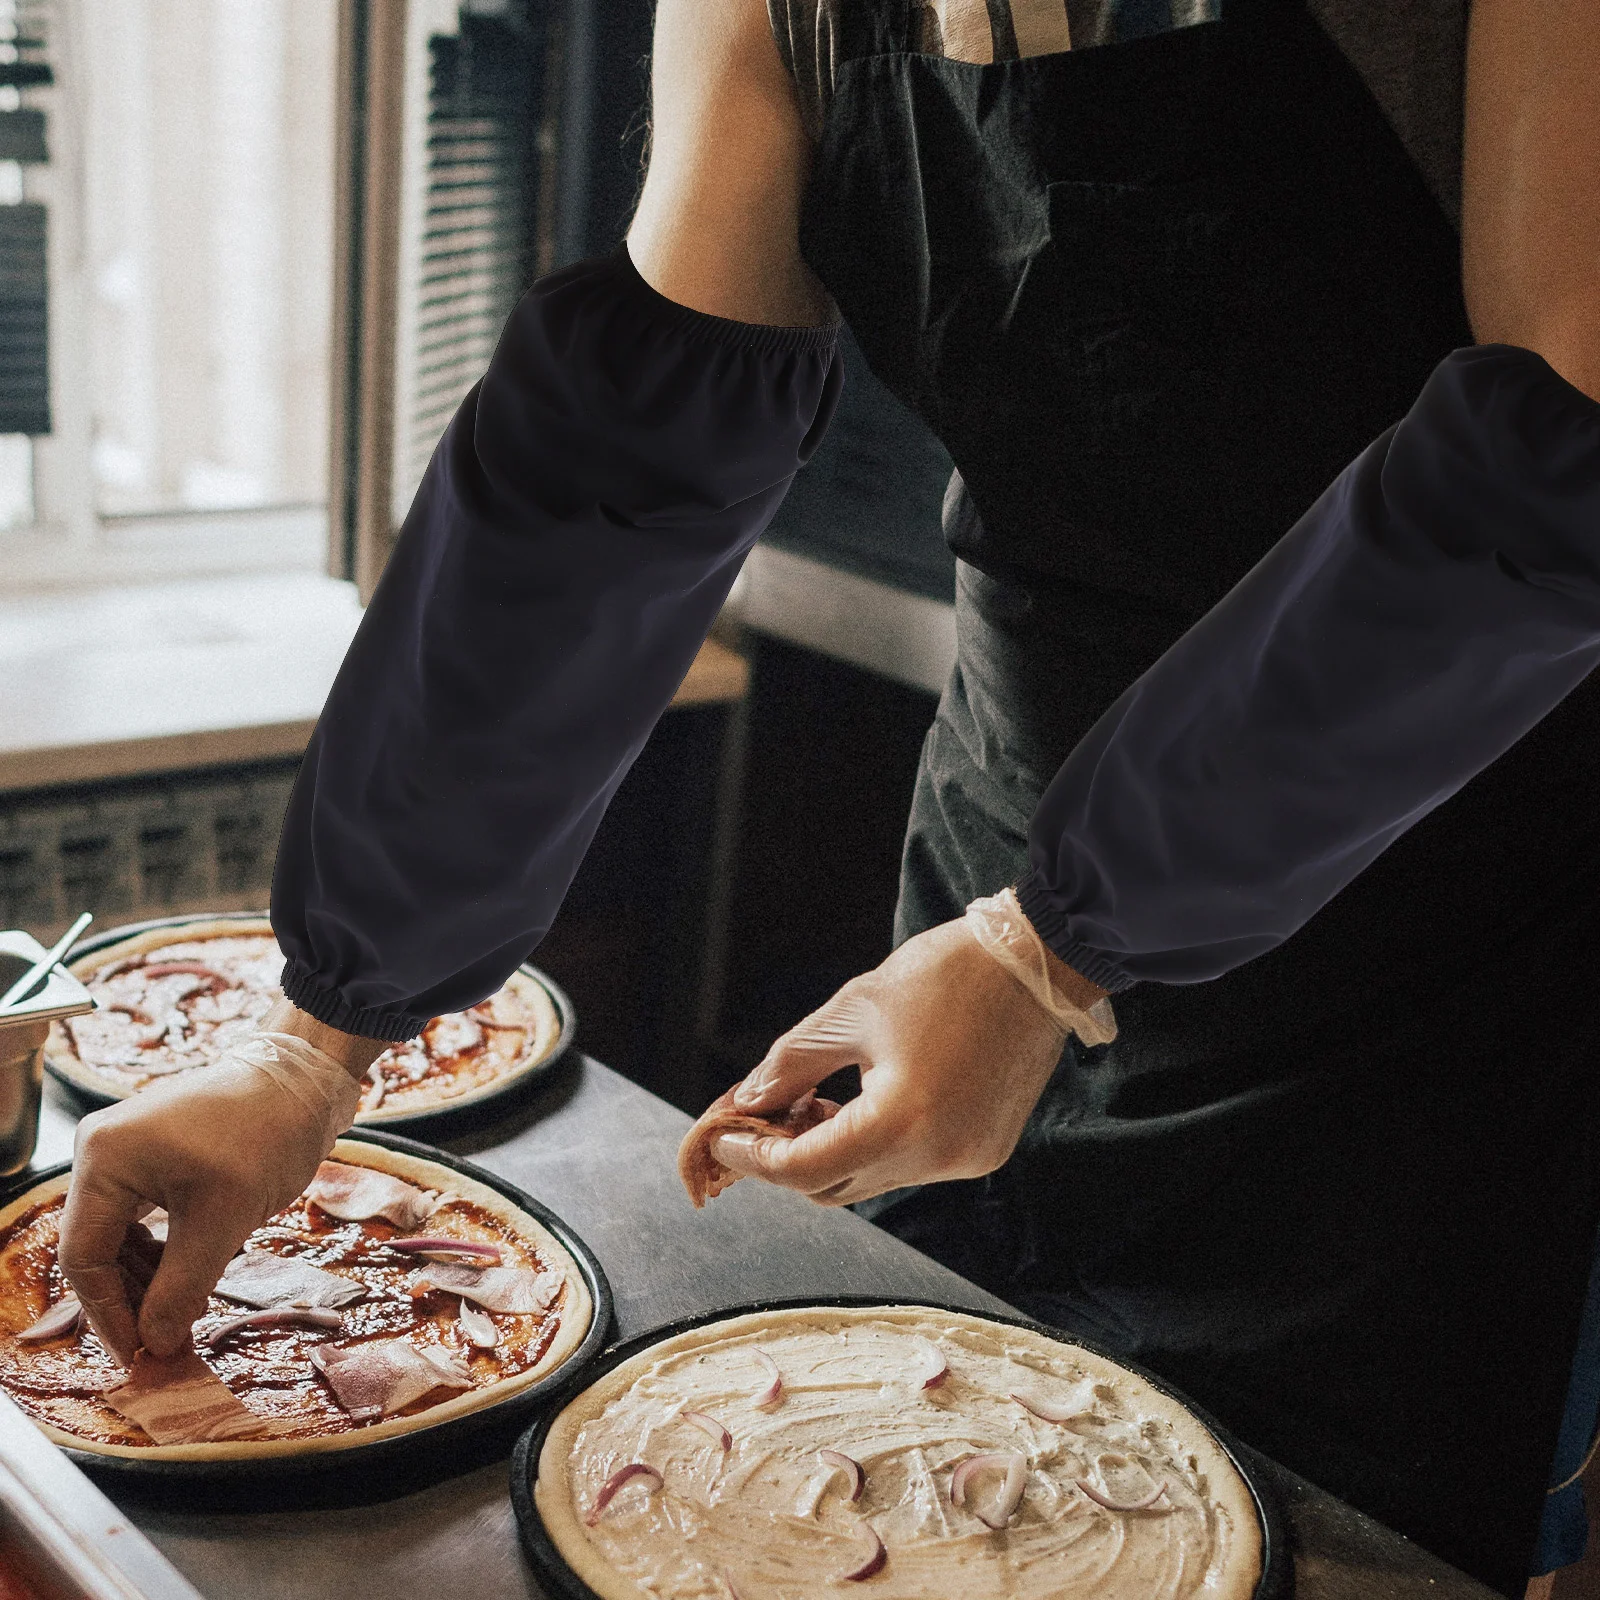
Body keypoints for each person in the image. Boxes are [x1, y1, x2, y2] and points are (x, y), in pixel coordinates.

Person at [56, 0, 1598, 1590]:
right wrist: (313, 1042)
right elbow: (617, 468)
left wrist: (1054, 950)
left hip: (1418, 943)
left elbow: (1567, 437)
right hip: (1010, 859)